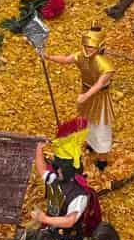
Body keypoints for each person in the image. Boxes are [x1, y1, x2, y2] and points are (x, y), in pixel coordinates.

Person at [44, 28, 116, 170]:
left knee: (100, 126)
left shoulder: (106, 66)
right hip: (86, 94)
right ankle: (90, 143)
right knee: (87, 121)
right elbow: (66, 59)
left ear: (100, 47)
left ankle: (102, 158)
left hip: (99, 99)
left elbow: (99, 84)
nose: (88, 49)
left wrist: (85, 96)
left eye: (91, 47)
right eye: (86, 46)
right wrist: (49, 57)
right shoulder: (80, 56)